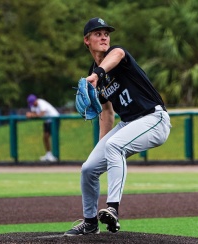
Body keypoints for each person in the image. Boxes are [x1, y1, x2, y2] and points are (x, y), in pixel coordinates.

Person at [64, 17, 171, 236]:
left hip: (154, 119)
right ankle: (90, 222)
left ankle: (113, 208)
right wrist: (100, 147)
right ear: (86, 41)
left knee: (115, 146)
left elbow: (118, 55)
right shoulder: (95, 73)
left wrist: (97, 75)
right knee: (89, 168)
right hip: (129, 123)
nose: (104, 36)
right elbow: (106, 112)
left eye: (106, 33)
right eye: (97, 33)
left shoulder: (115, 56)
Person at [26, 94, 60, 162]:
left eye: (33, 103)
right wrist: (30, 115)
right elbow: (34, 114)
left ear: (35, 100)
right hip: (47, 121)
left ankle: (55, 156)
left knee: (53, 137)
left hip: (54, 119)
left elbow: (42, 114)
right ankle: (49, 154)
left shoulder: (41, 102)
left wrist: (31, 115)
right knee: (45, 137)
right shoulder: (33, 106)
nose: (32, 105)